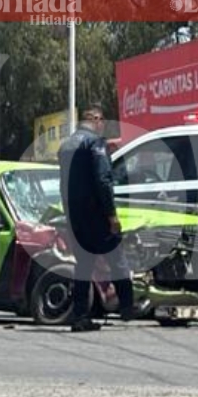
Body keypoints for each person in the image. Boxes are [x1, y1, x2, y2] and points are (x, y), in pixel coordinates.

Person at [57, 106, 134, 332]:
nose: (102, 126)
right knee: (117, 259)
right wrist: (111, 215)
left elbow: (64, 184)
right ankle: (128, 308)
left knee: (84, 265)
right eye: (101, 121)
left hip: (75, 216)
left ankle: (80, 315)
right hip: (96, 216)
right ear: (96, 120)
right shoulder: (95, 143)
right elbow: (102, 180)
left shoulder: (66, 146)